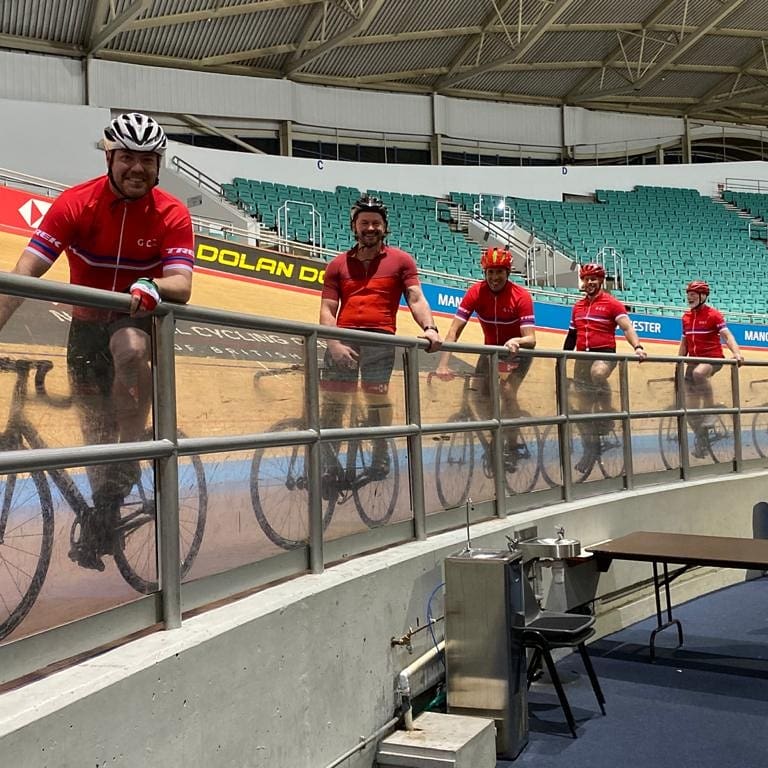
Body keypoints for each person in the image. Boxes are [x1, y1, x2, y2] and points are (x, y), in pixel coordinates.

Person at [0, 112, 194, 569]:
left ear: (159, 164)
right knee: (93, 437)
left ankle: (130, 459)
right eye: (128, 157)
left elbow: (181, 284)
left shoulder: (171, 212)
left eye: (148, 159)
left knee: (130, 348)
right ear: (110, 157)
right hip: (85, 325)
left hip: (133, 318)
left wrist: (153, 284)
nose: (137, 168)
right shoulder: (75, 203)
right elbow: (25, 274)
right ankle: (103, 517)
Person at [319, 195, 442, 479]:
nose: (370, 228)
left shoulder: (401, 261)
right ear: (354, 227)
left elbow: (416, 298)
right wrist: (334, 342)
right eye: (365, 223)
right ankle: (329, 462)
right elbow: (327, 308)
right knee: (334, 406)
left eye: (376, 223)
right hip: (343, 339)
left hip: (381, 342)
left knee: (377, 403)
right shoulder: (337, 265)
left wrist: (430, 328)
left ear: (385, 228)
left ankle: (380, 453)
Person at [436, 246, 536, 469]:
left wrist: (517, 341)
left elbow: (531, 339)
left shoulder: (521, 296)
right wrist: (443, 364)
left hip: (517, 352)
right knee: (479, 393)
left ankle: (512, 444)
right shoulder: (475, 292)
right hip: (491, 350)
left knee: (507, 391)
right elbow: (454, 331)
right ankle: (495, 432)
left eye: (499, 272)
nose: (494, 277)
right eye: (489, 272)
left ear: (507, 273)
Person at [563, 262, 646, 473]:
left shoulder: (612, 303)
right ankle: (590, 450)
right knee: (582, 410)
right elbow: (572, 336)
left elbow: (627, 327)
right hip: (582, 357)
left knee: (598, 373)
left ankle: (607, 412)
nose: (589, 282)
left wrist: (637, 346)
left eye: (593, 278)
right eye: (586, 278)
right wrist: (562, 357)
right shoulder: (578, 307)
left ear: (600, 280)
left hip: (604, 354)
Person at [679, 280, 743, 456]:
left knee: (700, 373)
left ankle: (711, 409)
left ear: (703, 296)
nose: (689, 297)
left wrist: (737, 353)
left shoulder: (714, 315)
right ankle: (703, 439)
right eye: (688, 294)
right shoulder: (685, 317)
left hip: (713, 359)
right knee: (689, 410)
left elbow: (727, 336)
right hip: (693, 361)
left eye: (693, 294)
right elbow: (684, 343)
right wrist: (678, 362)